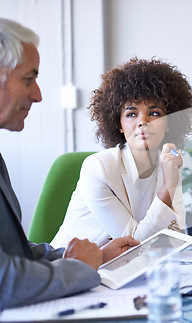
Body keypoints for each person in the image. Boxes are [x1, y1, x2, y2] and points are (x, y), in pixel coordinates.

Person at [0, 18, 139, 309]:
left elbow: (14, 253)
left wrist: (96, 256)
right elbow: (6, 281)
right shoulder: (100, 166)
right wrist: (80, 268)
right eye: (28, 79)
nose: (38, 94)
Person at [51, 57, 192, 248]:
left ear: (170, 122)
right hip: (74, 270)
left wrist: (170, 181)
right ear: (118, 124)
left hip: (129, 271)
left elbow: (175, 239)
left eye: (154, 113)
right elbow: (134, 245)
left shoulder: (168, 164)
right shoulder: (98, 168)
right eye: (131, 114)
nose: (142, 122)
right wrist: (168, 186)